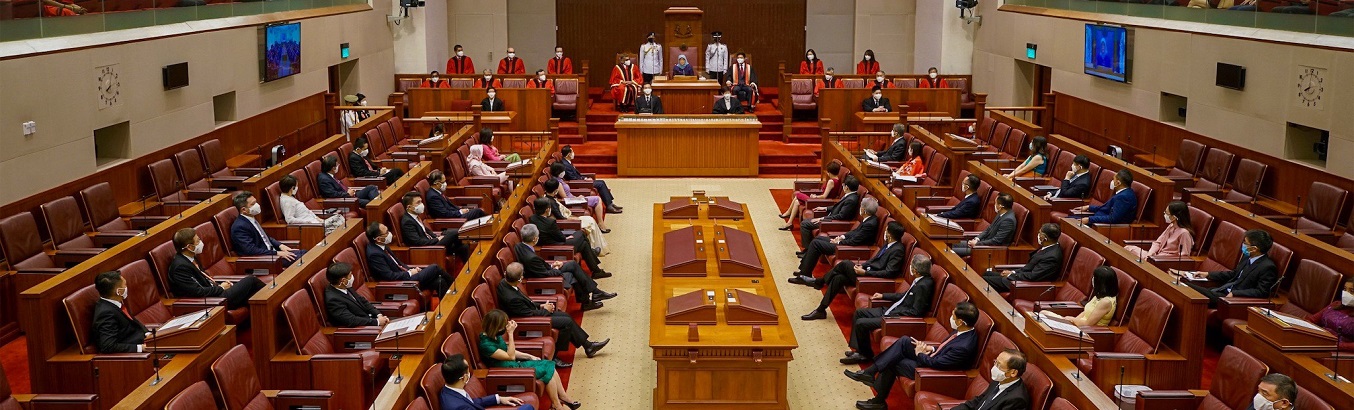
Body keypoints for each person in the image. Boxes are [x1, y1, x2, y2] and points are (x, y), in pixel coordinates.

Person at [846, 303, 984, 410]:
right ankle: (870, 372)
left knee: (894, 361)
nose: (951, 318)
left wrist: (920, 353)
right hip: (933, 356)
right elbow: (945, 348)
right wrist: (931, 347)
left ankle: (878, 401)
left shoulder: (964, 346)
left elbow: (937, 364)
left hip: (935, 371)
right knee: (905, 341)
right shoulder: (962, 331)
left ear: (960, 322)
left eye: (953, 316)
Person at [499, 263, 610, 365]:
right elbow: (527, 315)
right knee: (566, 322)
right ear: (520, 279)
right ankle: (555, 358)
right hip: (527, 322)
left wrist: (541, 305)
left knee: (566, 317)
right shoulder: (511, 298)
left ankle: (588, 346)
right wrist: (546, 310)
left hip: (530, 312)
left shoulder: (504, 283)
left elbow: (526, 303)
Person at [797, 222, 908, 319]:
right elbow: (874, 260)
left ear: (889, 234)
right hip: (865, 273)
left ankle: (820, 282)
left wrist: (866, 272)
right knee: (838, 278)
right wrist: (862, 266)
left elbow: (889, 273)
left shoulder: (898, 250)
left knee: (845, 263)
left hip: (872, 280)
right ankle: (821, 310)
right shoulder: (888, 245)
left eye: (886, 230)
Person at [839, 255, 936, 363]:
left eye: (911, 265)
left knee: (861, 323)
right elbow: (904, 296)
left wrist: (893, 314)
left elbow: (916, 312)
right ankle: (860, 351)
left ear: (915, 270)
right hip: (892, 310)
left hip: (896, 317)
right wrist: (883, 295)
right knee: (859, 313)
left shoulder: (923, 285)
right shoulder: (920, 280)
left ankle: (864, 355)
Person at [477, 310, 580, 410]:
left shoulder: (494, 335)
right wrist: (511, 334)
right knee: (547, 371)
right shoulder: (486, 345)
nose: (506, 326)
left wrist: (529, 356)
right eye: (503, 325)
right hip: (506, 370)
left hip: (513, 364)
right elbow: (510, 356)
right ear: (495, 326)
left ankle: (562, 398)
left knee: (549, 364)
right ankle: (557, 404)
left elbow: (507, 350)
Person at [516, 224, 614, 310]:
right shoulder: (531, 258)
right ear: (534, 239)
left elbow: (539, 266)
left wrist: (552, 264)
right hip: (541, 279)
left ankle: (591, 297)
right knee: (573, 271)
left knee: (572, 266)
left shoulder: (520, 246)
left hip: (543, 269)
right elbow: (544, 273)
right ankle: (592, 296)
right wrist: (556, 268)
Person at [168, 227, 266, 309]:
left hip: (215, 292)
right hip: (211, 301)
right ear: (189, 247)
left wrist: (220, 285)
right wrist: (221, 287)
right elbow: (198, 291)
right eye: (198, 241)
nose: (201, 242)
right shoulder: (180, 267)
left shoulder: (191, 257)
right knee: (251, 280)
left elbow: (205, 279)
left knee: (251, 293)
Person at [1178, 229, 1278, 307]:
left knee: (1186, 286)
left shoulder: (1267, 267)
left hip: (1232, 300)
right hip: (1221, 290)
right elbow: (1234, 274)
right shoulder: (1247, 257)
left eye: (1245, 243)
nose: (1243, 245)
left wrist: (1235, 293)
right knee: (1185, 284)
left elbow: (1262, 292)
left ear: (1254, 248)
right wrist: (1208, 274)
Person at [790, 198, 880, 280]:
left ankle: (805, 274)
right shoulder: (869, 219)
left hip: (848, 249)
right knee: (818, 238)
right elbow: (855, 232)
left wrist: (839, 242)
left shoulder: (870, 224)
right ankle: (804, 271)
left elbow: (855, 241)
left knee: (816, 244)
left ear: (864, 210)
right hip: (845, 243)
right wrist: (842, 236)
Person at [365, 222, 454, 295]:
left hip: (406, 275)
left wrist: (412, 269)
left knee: (440, 281)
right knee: (435, 267)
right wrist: (409, 273)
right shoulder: (374, 254)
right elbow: (389, 276)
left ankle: (448, 305)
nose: (390, 234)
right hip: (401, 283)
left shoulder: (382, 246)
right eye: (387, 232)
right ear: (378, 239)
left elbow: (399, 264)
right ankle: (454, 286)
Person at [529, 198, 609, 279]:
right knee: (581, 234)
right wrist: (566, 237)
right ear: (547, 210)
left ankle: (596, 270)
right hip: (556, 246)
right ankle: (594, 258)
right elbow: (561, 238)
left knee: (584, 244)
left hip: (549, 242)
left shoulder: (532, 218)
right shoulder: (550, 222)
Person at [981, 223, 1062, 293]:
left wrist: (1011, 275)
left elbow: (1033, 276)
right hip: (1020, 277)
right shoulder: (1047, 247)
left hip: (1025, 285)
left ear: (1044, 237)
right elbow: (1028, 268)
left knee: (984, 280)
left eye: (1039, 233)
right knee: (987, 273)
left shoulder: (1052, 257)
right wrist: (1013, 272)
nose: (1038, 235)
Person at [230, 191, 305, 264]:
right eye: (253, 204)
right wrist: (277, 253)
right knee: (302, 259)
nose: (257, 205)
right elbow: (251, 250)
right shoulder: (239, 227)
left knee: (305, 253)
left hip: (272, 253)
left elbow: (265, 238)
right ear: (244, 210)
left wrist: (281, 246)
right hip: (264, 260)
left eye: (256, 202)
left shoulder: (251, 219)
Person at [944, 349, 1031, 410]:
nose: (994, 368)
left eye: (999, 365)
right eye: (995, 362)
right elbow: (979, 400)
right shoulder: (999, 381)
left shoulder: (1017, 399)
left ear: (1013, 373)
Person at [439, 355, 534, 410]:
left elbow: (470, 402)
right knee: (528, 408)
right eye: (468, 370)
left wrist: (498, 399)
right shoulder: (459, 408)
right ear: (464, 377)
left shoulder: (447, 390)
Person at [541, 179, 608, 255]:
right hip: (565, 223)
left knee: (590, 219)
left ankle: (593, 248)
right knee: (589, 222)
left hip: (568, 217)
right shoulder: (551, 203)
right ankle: (592, 249)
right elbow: (561, 218)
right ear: (556, 190)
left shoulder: (547, 197)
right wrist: (575, 219)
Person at [400, 192, 471, 260]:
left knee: (463, 247)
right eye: (418, 202)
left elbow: (425, 231)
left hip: (432, 241)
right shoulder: (407, 222)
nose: (421, 204)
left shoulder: (415, 216)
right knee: (454, 233)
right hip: (427, 248)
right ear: (409, 207)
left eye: (421, 201)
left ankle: (469, 267)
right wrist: (437, 239)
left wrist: (436, 236)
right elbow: (417, 242)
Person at [92, 271, 149, 353]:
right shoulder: (105, 314)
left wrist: (148, 334)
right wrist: (141, 348)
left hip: (146, 340)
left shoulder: (116, 303)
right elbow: (108, 346)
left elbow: (134, 323)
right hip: (136, 355)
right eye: (125, 285)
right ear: (119, 291)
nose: (127, 287)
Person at [1041, 266, 1118, 326]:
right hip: (1078, 324)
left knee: (1044, 316)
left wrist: (1071, 320)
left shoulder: (1106, 302)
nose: (1092, 279)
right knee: (1044, 313)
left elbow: (1088, 324)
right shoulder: (1099, 296)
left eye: (1095, 278)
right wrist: (1072, 320)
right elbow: (1085, 312)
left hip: (1086, 332)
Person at [799, 176, 861, 248]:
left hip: (833, 222)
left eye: (843, 185)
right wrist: (825, 208)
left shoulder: (851, 200)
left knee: (805, 224)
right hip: (830, 218)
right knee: (807, 222)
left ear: (846, 187)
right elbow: (839, 207)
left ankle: (807, 249)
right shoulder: (850, 196)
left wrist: (823, 218)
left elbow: (841, 216)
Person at [778, 161, 842, 230]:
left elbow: (824, 196)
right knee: (797, 202)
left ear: (829, 172)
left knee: (798, 194)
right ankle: (789, 223)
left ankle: (788, 213)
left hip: (821, 201)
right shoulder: (837, 180)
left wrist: (815, 197)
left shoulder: (831, 181)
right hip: (821, 200)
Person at [323, 262, 389, 328]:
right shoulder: (333, 300)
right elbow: (351, 320)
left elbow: (363, 301)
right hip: (363, 329)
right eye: (350, 275)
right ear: (343, 281)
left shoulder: (345, 286)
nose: (352, 277)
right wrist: (377, 322)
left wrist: (378, 315)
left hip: (370, 319)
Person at [951, 193, 1016, 257]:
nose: (994, 204)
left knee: (951, 251)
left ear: (1001, 206)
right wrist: (977, 238)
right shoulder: (1001, 213)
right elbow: (989, 228)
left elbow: (996, 241)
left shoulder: (1008, 221)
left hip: (989, 249)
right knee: (951, 244)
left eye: (996, 203)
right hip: (983, 243)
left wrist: (977, 244)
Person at [560, 146, 621, 213]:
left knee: (601, 182)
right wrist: (584, 180)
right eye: (572, 152)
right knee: (600, 184)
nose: (573, 153)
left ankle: (610, 204)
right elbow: (573, 178)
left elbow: (577, 175)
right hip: (578, 184)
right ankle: (609, 206)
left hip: (581, 180)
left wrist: (585, 178)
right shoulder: (565, 165)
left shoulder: (567, 162)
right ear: (569, 154)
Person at [549, 163, 609, 231]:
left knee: (597, 199)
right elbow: (565, 198)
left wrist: (576, 196)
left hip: (574, 198)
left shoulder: (560, 179)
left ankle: (600, 223)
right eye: (562, 170)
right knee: (597, 199)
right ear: (558, 172)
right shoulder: (558, 183)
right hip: (572, 202)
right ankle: (601, 223)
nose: (564, 172)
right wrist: (577, 198)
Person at [1125, 201, 1194, 259]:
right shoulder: (1171, 226)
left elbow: (1184, 256)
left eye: (1166, 213)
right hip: (1155, 256)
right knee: (1128, 249)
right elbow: (1158, 242)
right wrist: (1150, 254)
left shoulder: (1184, 233)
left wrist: (1158, 259)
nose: (1164, 214)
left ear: (1173, 217)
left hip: (1163, 261)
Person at [278, 175, 345, 235]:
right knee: (339, 226)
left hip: (315, 222)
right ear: (292, 188)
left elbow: (307, 211)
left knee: (339, 218)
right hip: (312, 226)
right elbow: (289, 219)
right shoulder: (287, 202)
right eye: (296, 186)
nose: (297, 187)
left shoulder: (290, 197)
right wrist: (307, 222)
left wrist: (317, 218)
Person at [1306, 276, 1354, 351]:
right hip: (1318, 340)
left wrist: (1333, 346)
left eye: (1352, 291)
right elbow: (1311, 320)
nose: (1346, 294)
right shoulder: (1336, 304)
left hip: (1336, 351)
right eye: (1345, 289)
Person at [317, 154, 381, 207]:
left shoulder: (329, 174)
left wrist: (350, 190)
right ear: (333, 168)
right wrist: (347, 194)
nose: (338, 166)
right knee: (368, 202)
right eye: (337, 165)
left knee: (372, 187)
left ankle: (378, 203)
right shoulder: (324, 179)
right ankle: (376, 207)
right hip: (344, 200)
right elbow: (332, 194)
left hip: (350, 194)